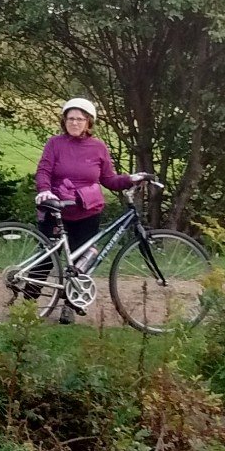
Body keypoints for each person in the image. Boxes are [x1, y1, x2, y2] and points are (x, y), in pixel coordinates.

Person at [33, 97, 146, 323]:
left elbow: (108, 179)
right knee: (46, 258)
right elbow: (44, 170)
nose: (74, 123)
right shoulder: (55, 143)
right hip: (57, 209)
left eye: (79, 119)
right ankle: (27, 300)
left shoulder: (98, 148)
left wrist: (129, 179)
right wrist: (45, 190)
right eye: (70, 118)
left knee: (82, 262)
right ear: (64, 121)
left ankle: (70, 306)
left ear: (88, 122)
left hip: (87, 212)